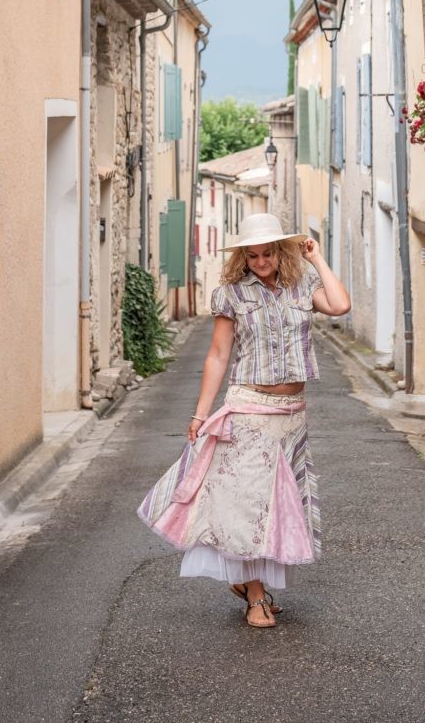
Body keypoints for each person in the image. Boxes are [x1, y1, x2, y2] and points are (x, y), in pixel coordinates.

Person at [137, 212, 350, 628]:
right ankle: (255, 596)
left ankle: (250, 582)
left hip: (291, 415)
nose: (260, 262)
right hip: (249, 406)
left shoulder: (303, 284)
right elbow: (218, 355)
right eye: (251, 256)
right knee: (250, 505)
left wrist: (318, 260)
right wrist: (201, 412)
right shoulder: (231, 295)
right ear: (242, 258)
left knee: (279, 507)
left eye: (267, 253)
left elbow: (340, 305)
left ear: (281, 250)